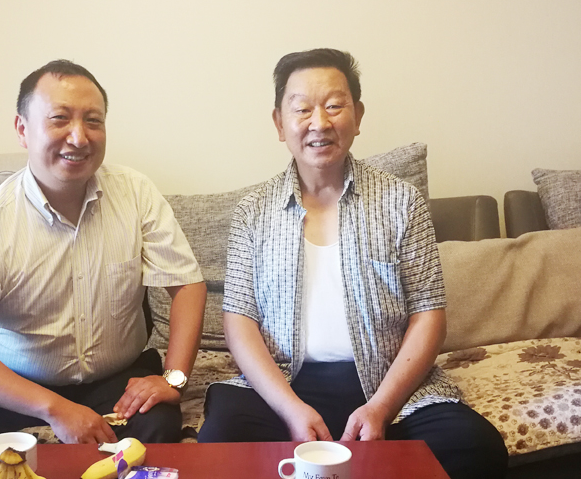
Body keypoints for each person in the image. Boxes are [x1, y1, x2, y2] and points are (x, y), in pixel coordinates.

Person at [197, 49, 507, 478]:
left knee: (476, 446)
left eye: (334, 106)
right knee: (220, 440)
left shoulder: (402, 202)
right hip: (285, 383)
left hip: (387, 381)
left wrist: (381, 408)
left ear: (357, 116)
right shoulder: (253, 212)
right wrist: (291, 409)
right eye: (302, 109)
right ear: (279, 123)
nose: (319, 123)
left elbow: (429, 317)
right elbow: (239, 322)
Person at [0, 60, 206, 445]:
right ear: (23, 129)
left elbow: (187, 286)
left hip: (116, 380)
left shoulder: (136, 194)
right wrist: (56, 409)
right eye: (60, 119)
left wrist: (173, 379)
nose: (79, 137)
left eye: (93, 121)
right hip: (17, 384)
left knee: (159, 422)